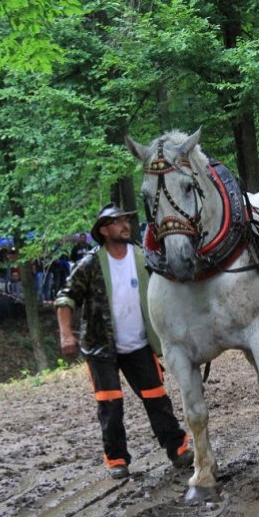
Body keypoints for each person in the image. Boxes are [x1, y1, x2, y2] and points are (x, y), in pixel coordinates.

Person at [55, 204, 193, 479]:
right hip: (101, 347)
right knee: (110, 404)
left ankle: (178, 448)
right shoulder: (91, 264)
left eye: (125, 220)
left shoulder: (144, 257)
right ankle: (117, 458)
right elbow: (65, 298)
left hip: (140, 344)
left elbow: (165, 290)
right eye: (116, 222)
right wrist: (66, 334)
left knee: (157, 398)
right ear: (104, 230)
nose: (124, 225)